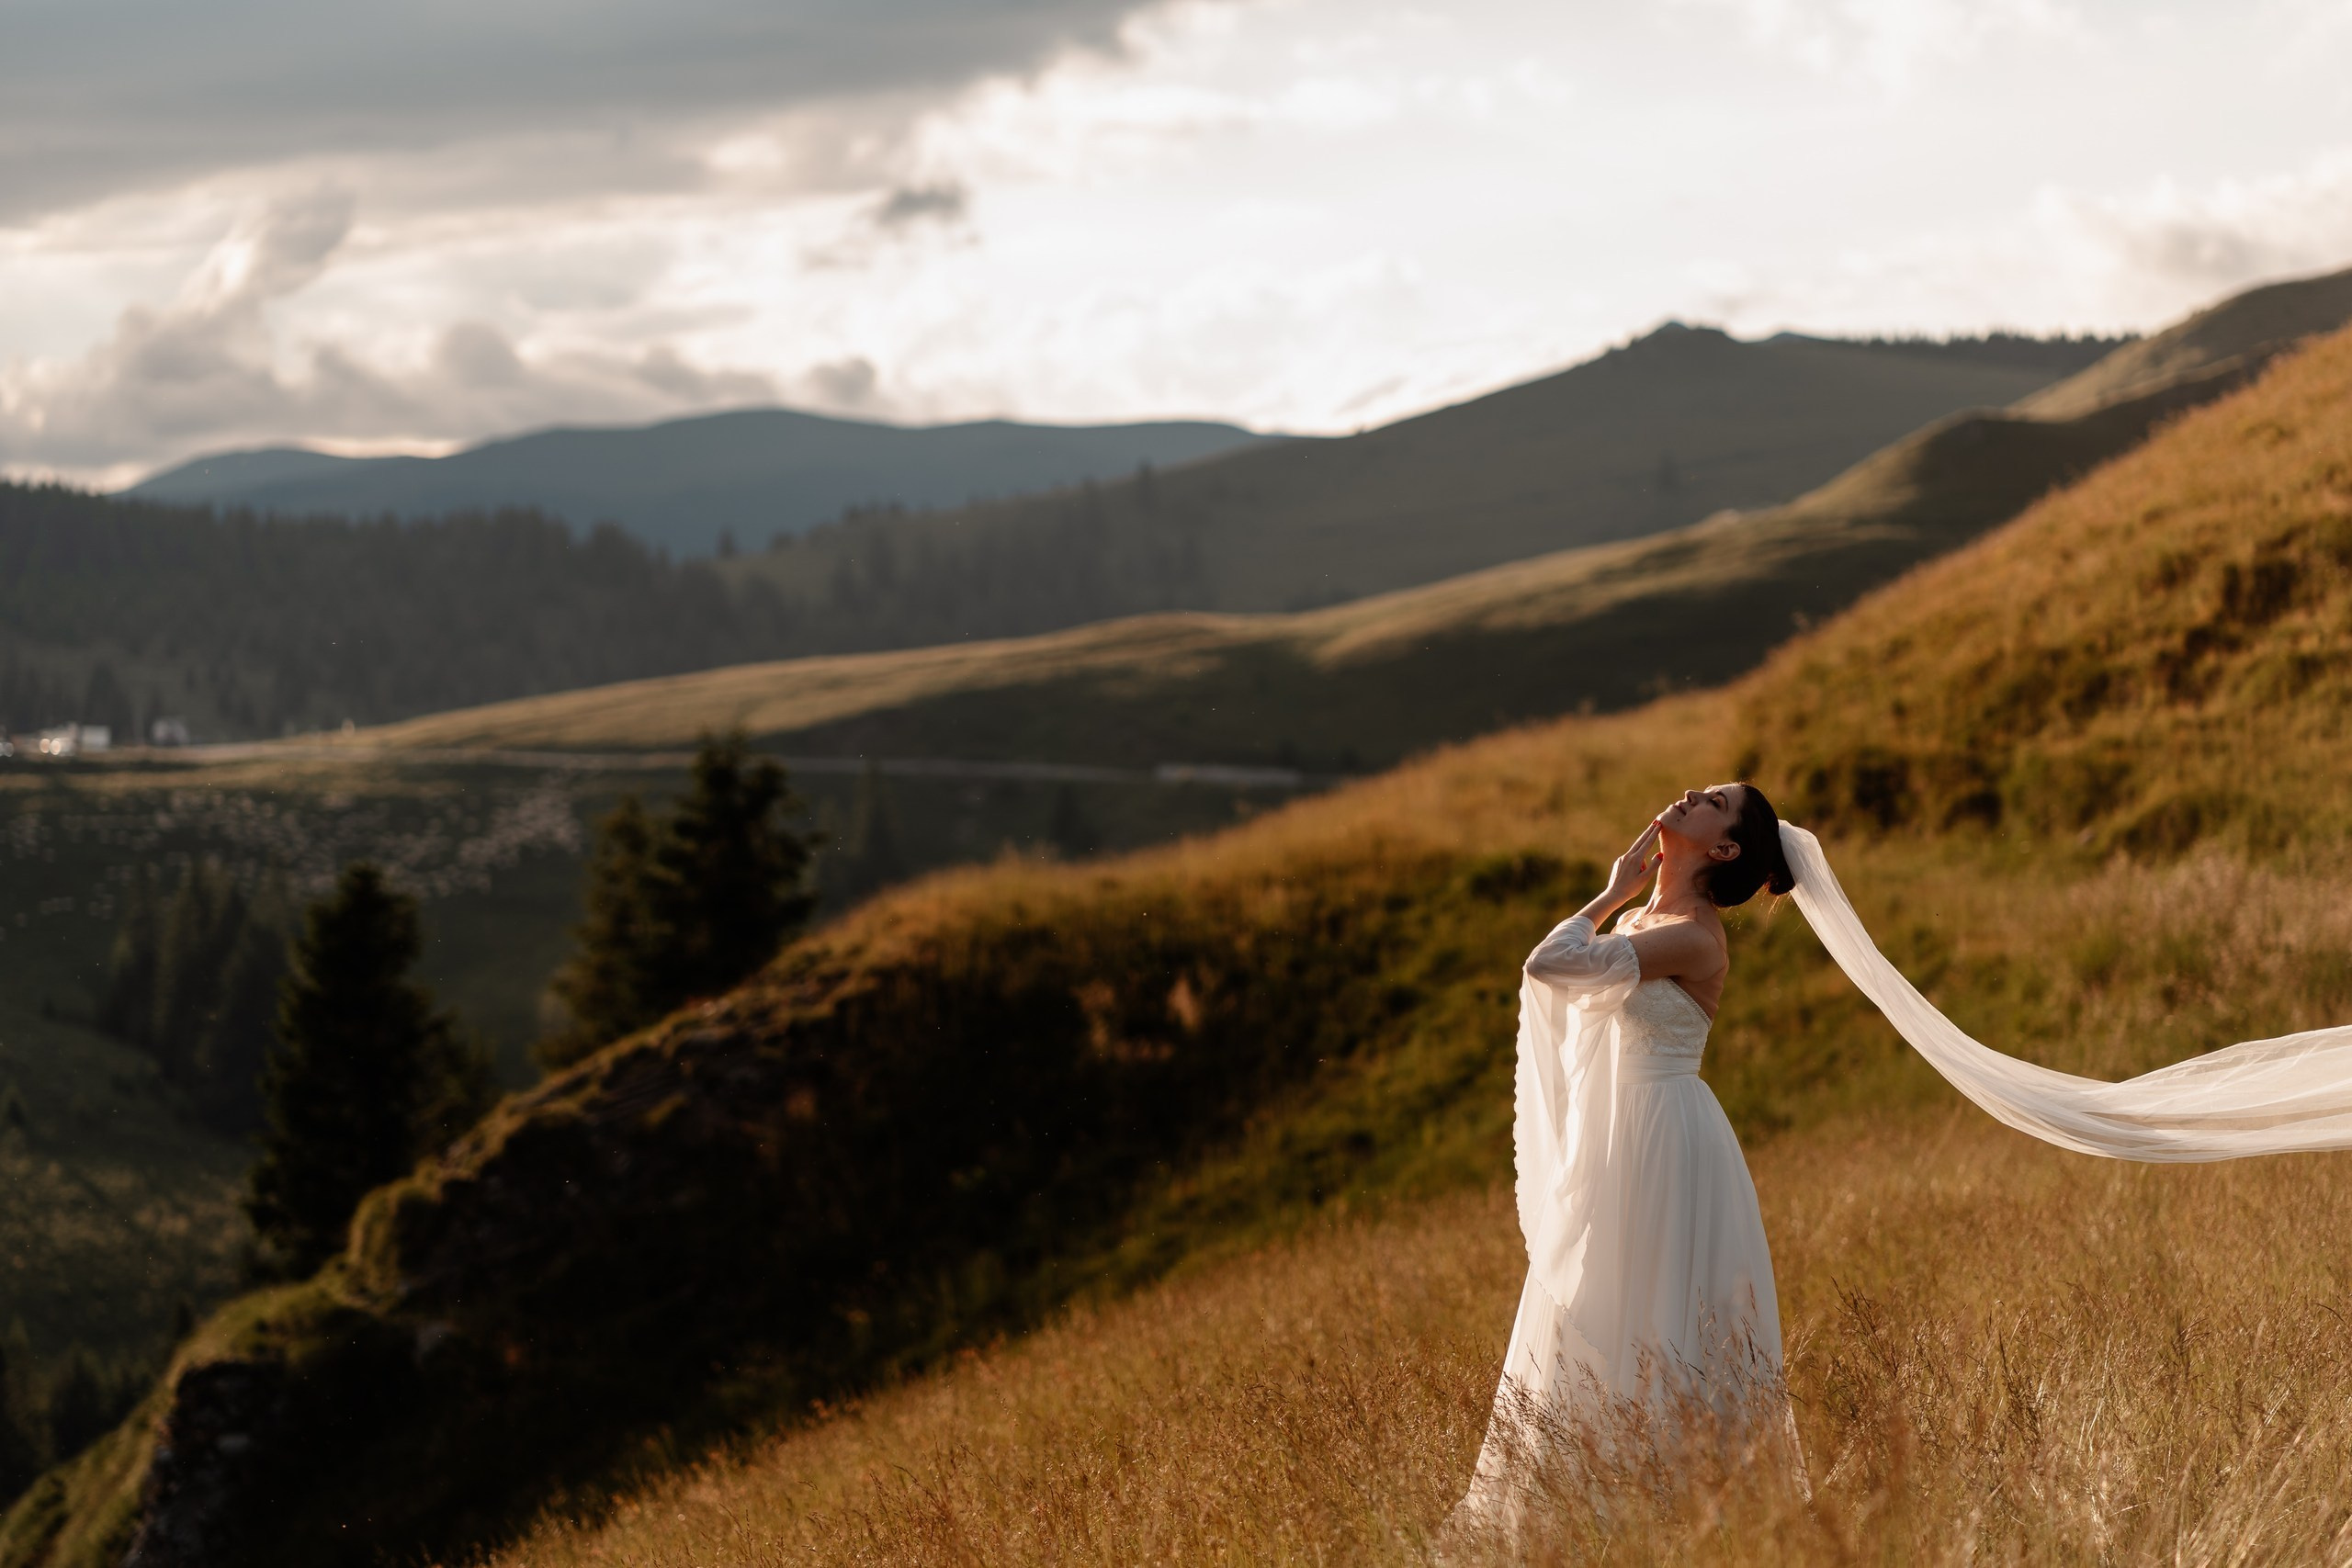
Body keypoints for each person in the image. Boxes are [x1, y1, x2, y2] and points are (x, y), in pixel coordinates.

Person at [1449, 782, 1801, 1537]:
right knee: (1594, 1316)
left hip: (1668, 1143)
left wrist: (1609, 892)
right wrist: (1624, 899)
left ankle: (1676, 1519)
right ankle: (1588, 1517)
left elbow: (1548, 964)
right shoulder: (1652, 920)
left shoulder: (1696, 935)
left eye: (1713, 801)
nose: (1691, 793)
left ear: (1725, 848)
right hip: (1618, 1142)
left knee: (1664, 1325)